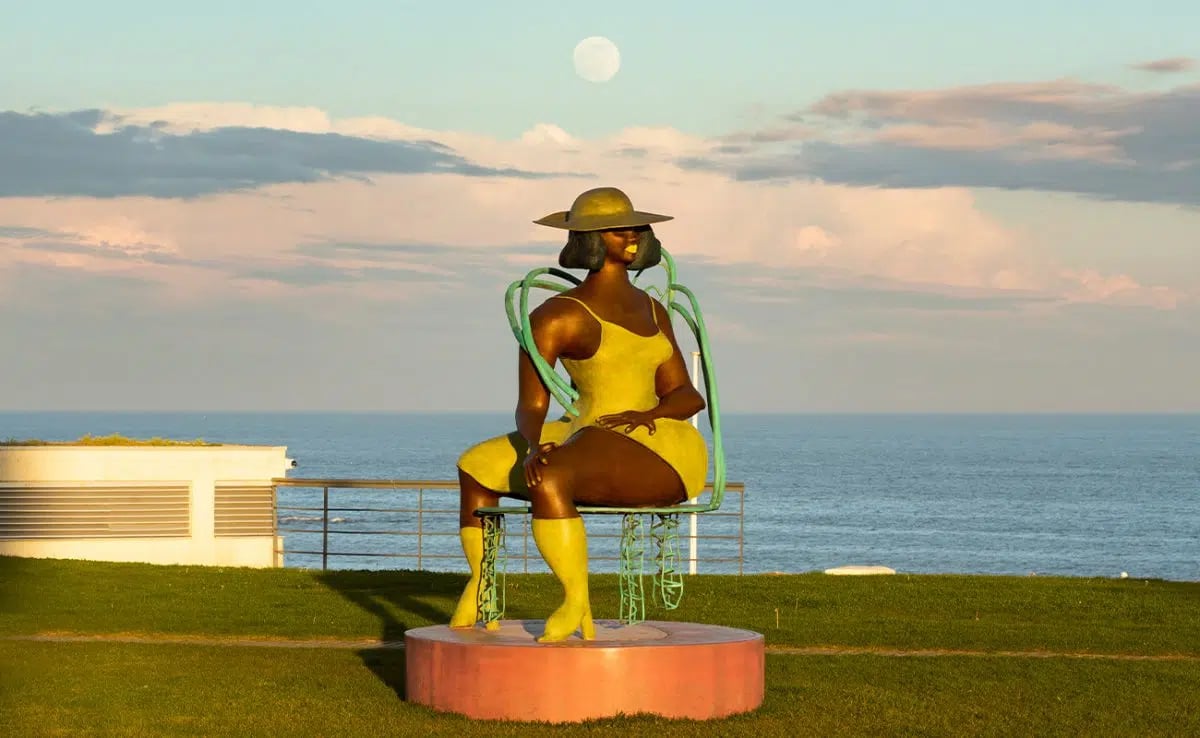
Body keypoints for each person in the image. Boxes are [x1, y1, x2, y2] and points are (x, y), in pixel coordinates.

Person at [451, 187, 709, 642]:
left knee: (551, 476)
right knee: (475, 465)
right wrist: (532, 443)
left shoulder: (653, 309)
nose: (632, 235)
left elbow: (688, 396)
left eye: (636, 226)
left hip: (658, 444)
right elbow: (532, 403)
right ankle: (481, 583)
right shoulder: (555, 317)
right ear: (589, 239)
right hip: (587, 430)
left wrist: (648, 412)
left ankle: (575, 601)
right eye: (617, 229)